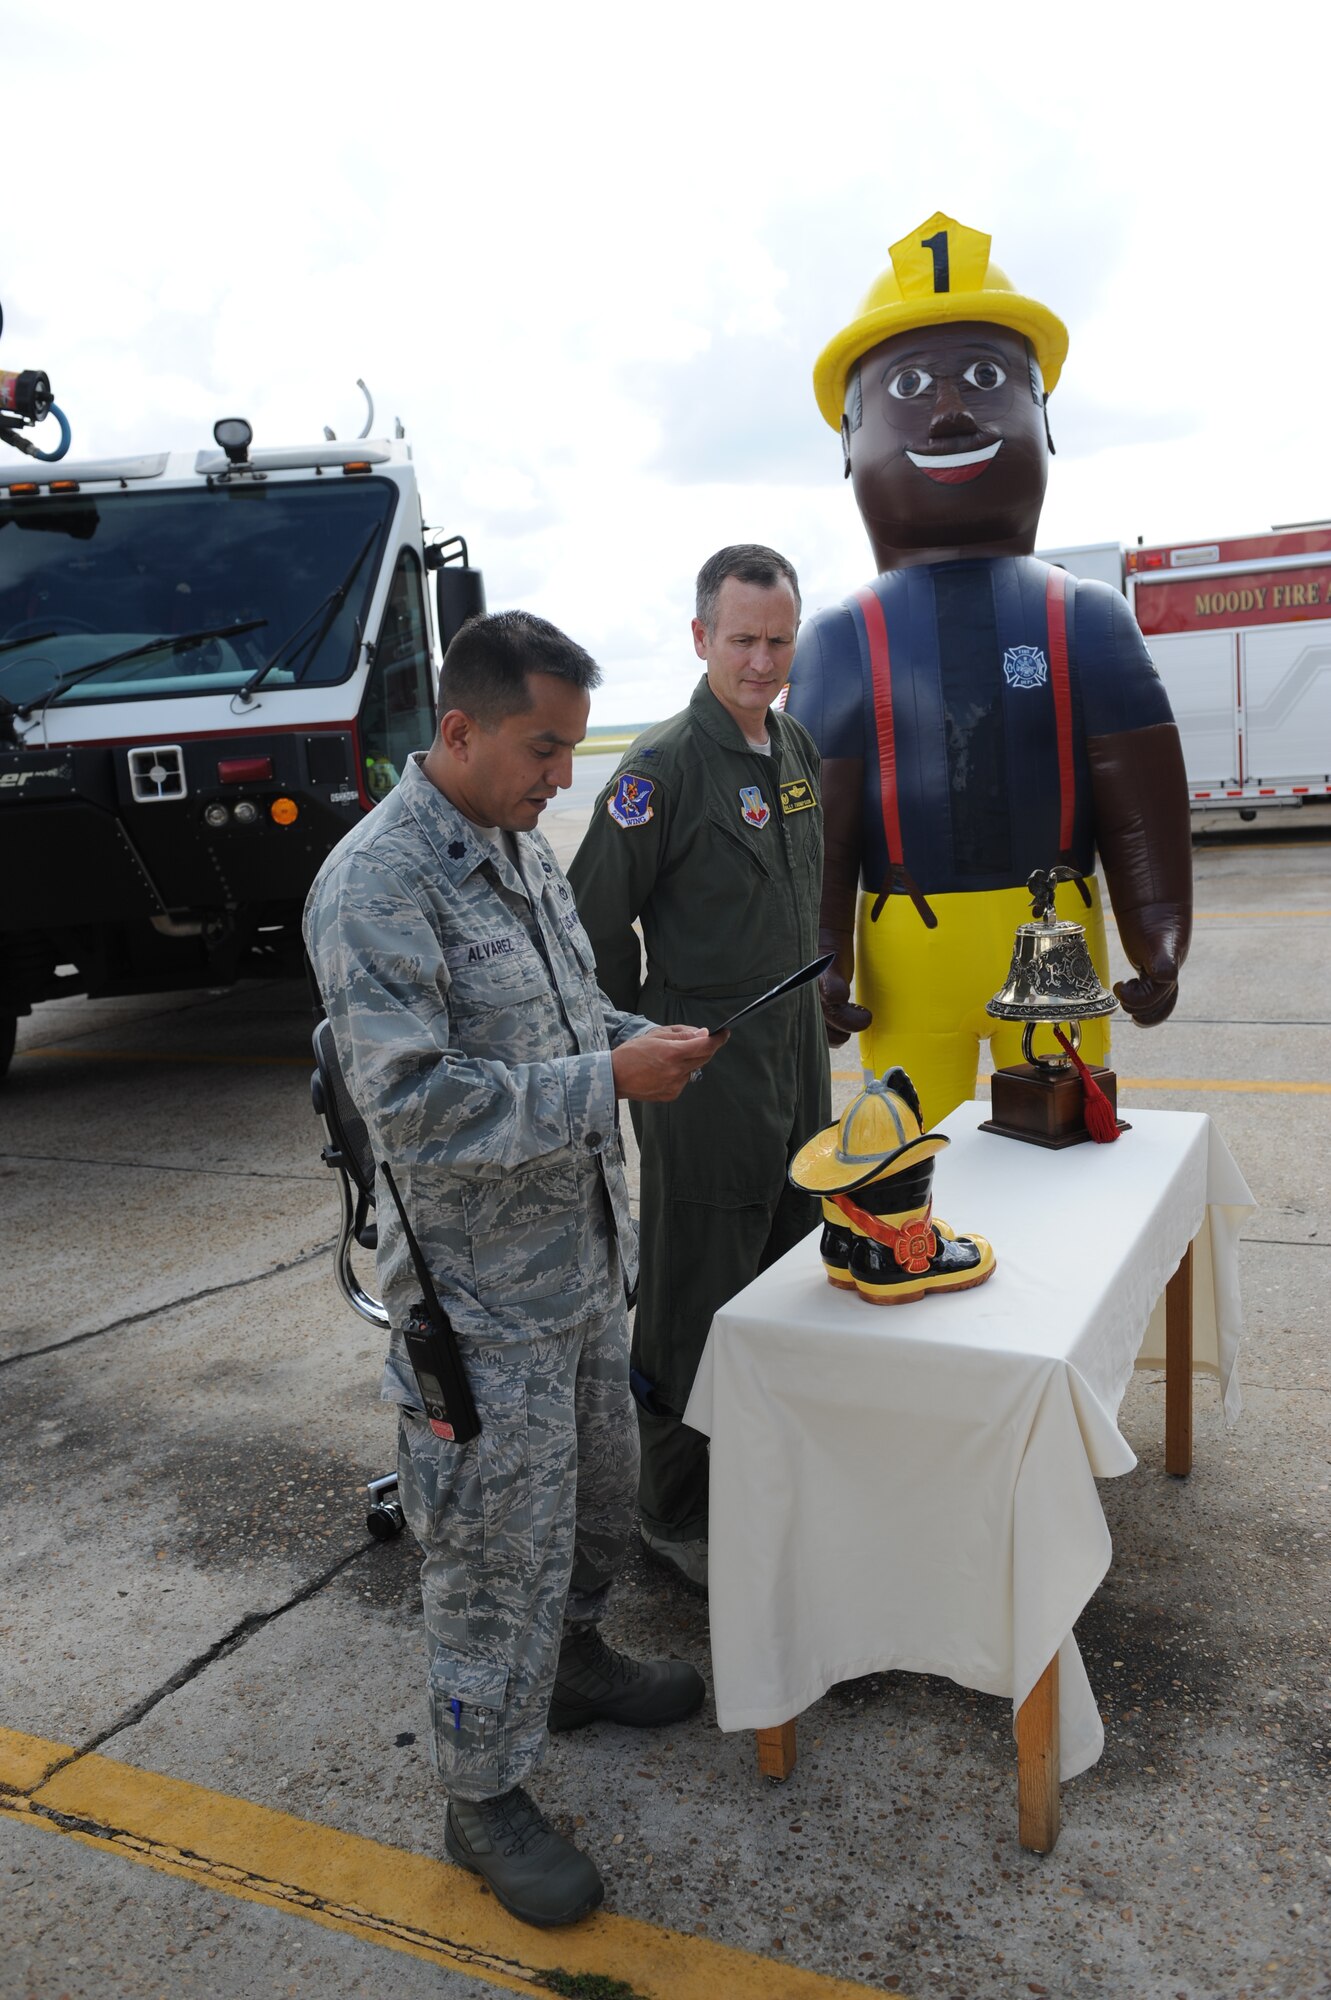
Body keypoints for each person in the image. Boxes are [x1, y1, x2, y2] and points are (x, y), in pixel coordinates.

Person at [303, 610, 725, 1930]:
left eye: (566, 748)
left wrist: (629, 1034)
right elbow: (412, 1104)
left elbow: (561, 1009)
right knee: (491, 1555)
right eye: (543, 748)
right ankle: (477, 1792)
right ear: (460, 729)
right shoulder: (378, 884)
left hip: (582, 1267)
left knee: (599, 1509)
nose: (562, 774)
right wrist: (605, 1078)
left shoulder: (518, 850)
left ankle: (576, 1663)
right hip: (480, 1313)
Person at [785, 210, 1192, 1123]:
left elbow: (1141, 805)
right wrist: (823, 954)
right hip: (905, 957)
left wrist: (1158, 936)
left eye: (983, 376)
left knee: (1063, 1143)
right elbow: (821, 831)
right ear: (850, 440)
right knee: (905, 1157)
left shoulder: (1086, 619)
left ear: (1041, 419)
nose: (951, 410)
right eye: (910, 385)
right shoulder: (838, 639)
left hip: (1050, 938)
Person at [567, 546, 830, 1592]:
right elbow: (592, 919)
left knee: (790, 1256)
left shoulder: (794, 745)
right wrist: (637, 1040)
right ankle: (671, 1507)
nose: (761, 660)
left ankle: (755, 1474)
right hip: (704, 1068)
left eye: (777, 640)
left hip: (794, 1052)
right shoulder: (661, 768)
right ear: (699, 639)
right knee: (697, 1284)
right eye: (742, 639)